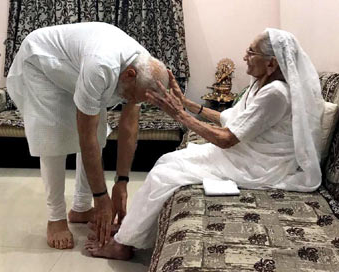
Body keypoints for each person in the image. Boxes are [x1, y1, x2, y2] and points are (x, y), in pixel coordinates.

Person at [84, 28, 324, 259]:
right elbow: (228, 119)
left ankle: (123, 245)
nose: (244, 57)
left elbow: (227, 138)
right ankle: (129, 232)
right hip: (247, 155)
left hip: (260, 165)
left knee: (164, 175)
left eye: (251, 53)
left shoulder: (276, 94)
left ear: (271, 63)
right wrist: (186, 103)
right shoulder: (261, 84)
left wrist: (181, 115)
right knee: (167, 161)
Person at [6, 22, 169, 250]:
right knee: (53, 140)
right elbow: (86, 136)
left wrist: (121, 183)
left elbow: (129, 127)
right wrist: (102, 198)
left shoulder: (144, 67)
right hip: (43, 64)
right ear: (129, 76)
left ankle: (81, 207)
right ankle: (56, 218)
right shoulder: (101, 66)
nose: (132, 101)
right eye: (132, 95)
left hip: (77, 66)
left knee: (100, 135)